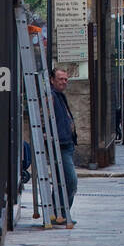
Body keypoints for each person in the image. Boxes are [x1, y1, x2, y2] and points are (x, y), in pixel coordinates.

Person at [49, 68, 79, 224]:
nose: (64, 82)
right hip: (59, 144)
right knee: (70, 180)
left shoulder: (60, 96)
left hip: (67, 143)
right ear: (52, 79)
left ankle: (60, 214)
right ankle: (60, 212)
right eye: (61, 79)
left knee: (64, 181)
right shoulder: (51, 96)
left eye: (66, 79)